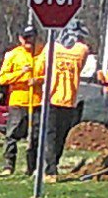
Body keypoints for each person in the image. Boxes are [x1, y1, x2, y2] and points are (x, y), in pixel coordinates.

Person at [36, 26, 92, 171]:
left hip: (51, 98)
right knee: (61, 136)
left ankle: (50, 168)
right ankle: (54, 164)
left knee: (50, 135)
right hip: (70, 99)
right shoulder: (82, 50)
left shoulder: (50, 48)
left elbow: (39, 69)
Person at [0, 30, 44, 168]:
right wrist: (21, 73)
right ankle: (8, 165)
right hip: (18, 101)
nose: (28, 41)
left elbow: (49, 75)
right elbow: (2, 78)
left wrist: (38, 80)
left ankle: (33, 167)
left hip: (36, 102)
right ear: (20, 38)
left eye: (31, 37)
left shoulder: (43, 53)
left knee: (36, 136)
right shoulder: (13, 55)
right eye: (25, 38)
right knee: (12, 134)